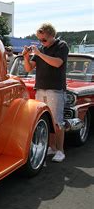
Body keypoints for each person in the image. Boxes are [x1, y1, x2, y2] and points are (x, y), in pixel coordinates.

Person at [23, 22, 69, 163]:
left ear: (51, 35)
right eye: (39, 39)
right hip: (41, 88)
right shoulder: (42, 49)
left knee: (57, 122)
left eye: (43, 39)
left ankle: (60, 151)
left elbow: (57, 63)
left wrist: (38, 53)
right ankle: (51, 147)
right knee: (48, 121)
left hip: (55, 89)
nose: (41, 42)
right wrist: (26, 56)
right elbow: (28, 69)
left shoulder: (62, 46)